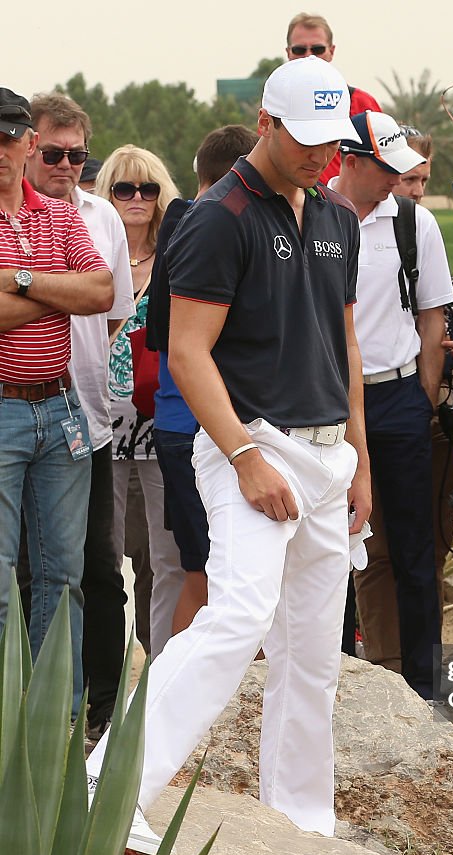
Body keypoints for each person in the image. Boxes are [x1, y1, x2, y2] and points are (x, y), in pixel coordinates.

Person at [86, 56, 370, 855]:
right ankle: (108, 789)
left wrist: (360, 460)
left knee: (312, 652)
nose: (323, 157)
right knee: (237, 619)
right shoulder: (216, 217)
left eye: (333, 143)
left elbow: (342, 342)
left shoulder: (336, 216)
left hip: (324, 456)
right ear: (266, 127)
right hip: (251, 445)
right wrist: (245, 455)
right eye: (308, 141)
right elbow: (186, 354)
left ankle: (301, 822)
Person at [24, 93, 135, 741]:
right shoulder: (12, 219)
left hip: (87, 419)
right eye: (54, 153)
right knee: (25, 570)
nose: (67, 166)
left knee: (98, 567)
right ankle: (31, 706)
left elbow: (111, 308)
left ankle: (102, 711)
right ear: (26, 147)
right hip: (21, 414)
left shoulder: (103, 219)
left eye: (78, 155)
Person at [332, 110, 453, 700]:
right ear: (350, 161)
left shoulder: (413, 221)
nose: (395, 180)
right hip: (326, 409)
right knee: (330, 551)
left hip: (398, 398)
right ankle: (332, 682)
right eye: (386, 169)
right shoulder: (308, 214)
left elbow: (433, 315)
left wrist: (422, 396)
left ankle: (425, 689)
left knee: (413, 550)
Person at [0, 87, 114, 713]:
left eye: (10, 137)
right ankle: (5, 733)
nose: (3, 150)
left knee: (62, 579)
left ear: (26, 142)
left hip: (61, 407)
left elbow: (99, 291)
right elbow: (81, 290)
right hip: (5, 407)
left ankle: (58, 729)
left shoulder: (62, 214)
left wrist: (21, 280)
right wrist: (58, 289)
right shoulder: (61, 221)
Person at [147, 125, 259, 634]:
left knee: (209, 573)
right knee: (214, 579)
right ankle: (192, 706)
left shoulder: (180, 225)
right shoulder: (207, 231)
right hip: (201, 426)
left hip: (182, 424)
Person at [96, 145, 184, 660]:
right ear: (107, 194)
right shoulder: (90, 247)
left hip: (162, 423)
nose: (136, 198)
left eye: (147, 188)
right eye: (124, 188)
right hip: (101, 422)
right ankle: (105, 681)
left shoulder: (175, 251)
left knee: (162, 557)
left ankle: (161, 667)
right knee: (104, 558)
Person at [285, 11, 380, 184]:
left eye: (317, 49)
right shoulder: (277, 105)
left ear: (331, 51)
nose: (309, 56)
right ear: (288, 53)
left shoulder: (361, 102)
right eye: (299, 49)